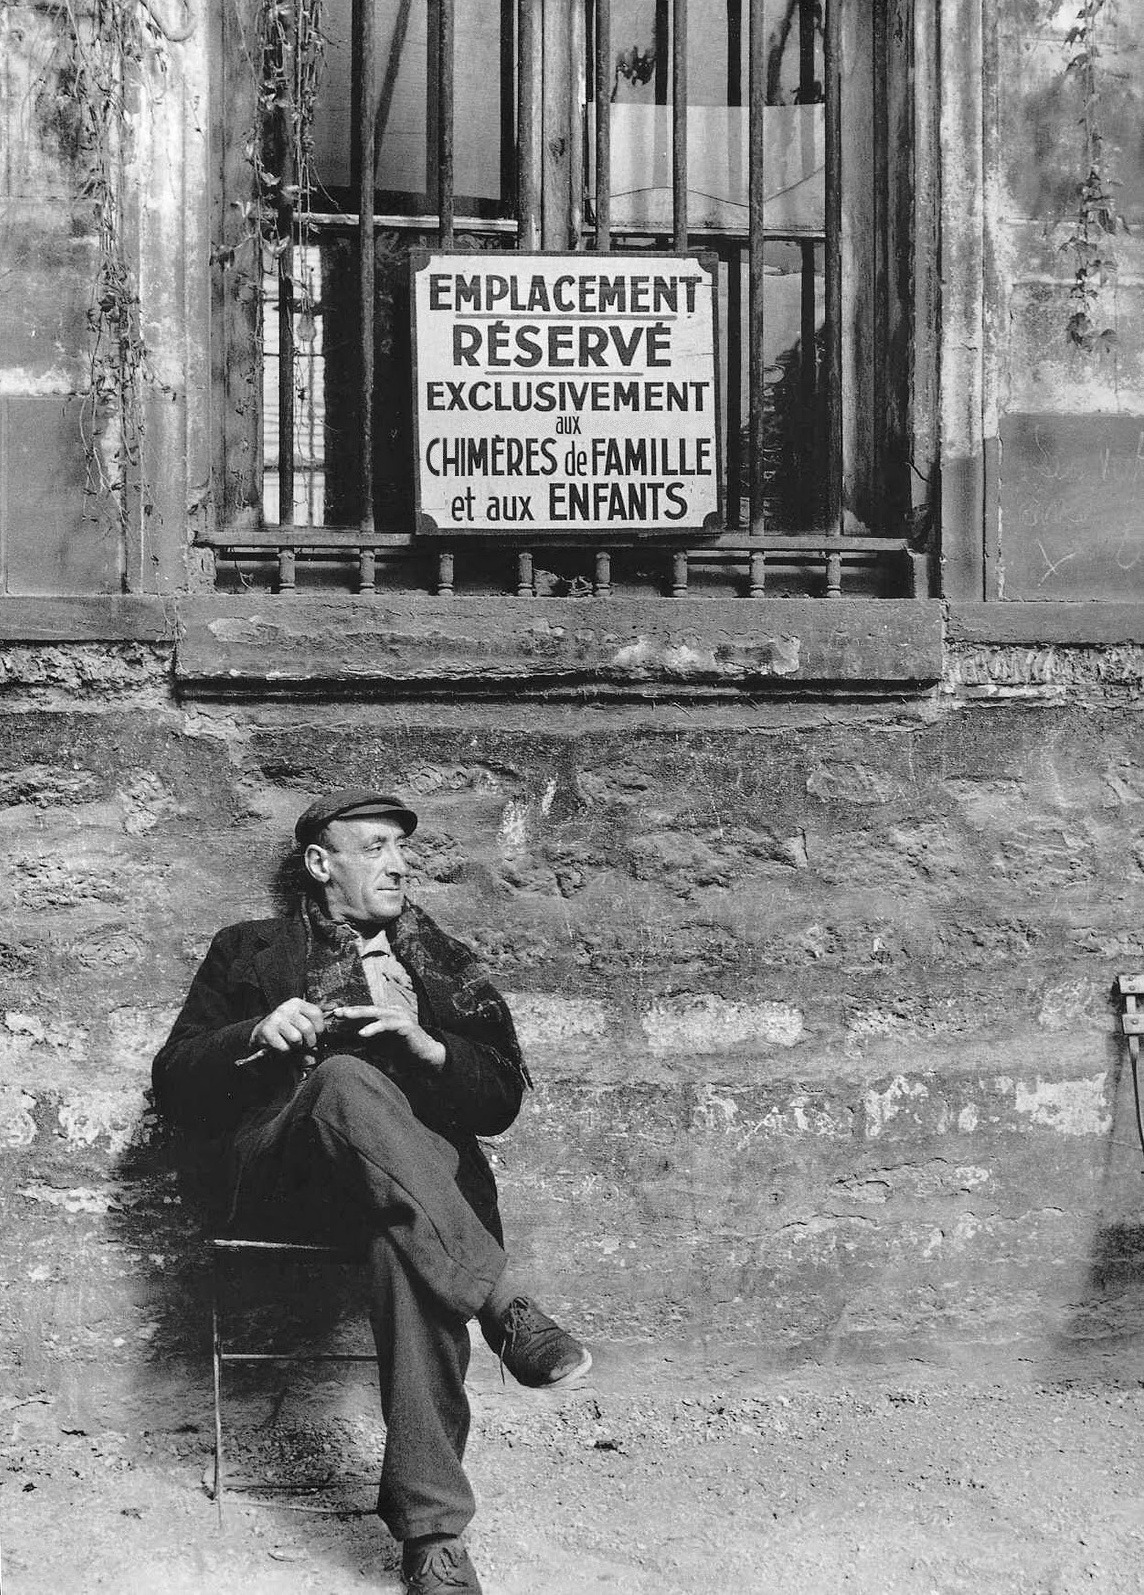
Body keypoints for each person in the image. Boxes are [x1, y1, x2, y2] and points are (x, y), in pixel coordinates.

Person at [152, 788, 591, 1595]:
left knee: (409, 1243)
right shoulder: (248, 951)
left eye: (402, 849)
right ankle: (502, 1302)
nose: (398, 864)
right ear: (322, 863)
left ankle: (433, 1538)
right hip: (289, 1172)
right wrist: (256, 1031)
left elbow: (499, 1102)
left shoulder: (443, 963)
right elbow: (174, 1081)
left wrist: (430, 1048)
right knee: (348, 1075)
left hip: (413, 1194)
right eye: (376, 847)